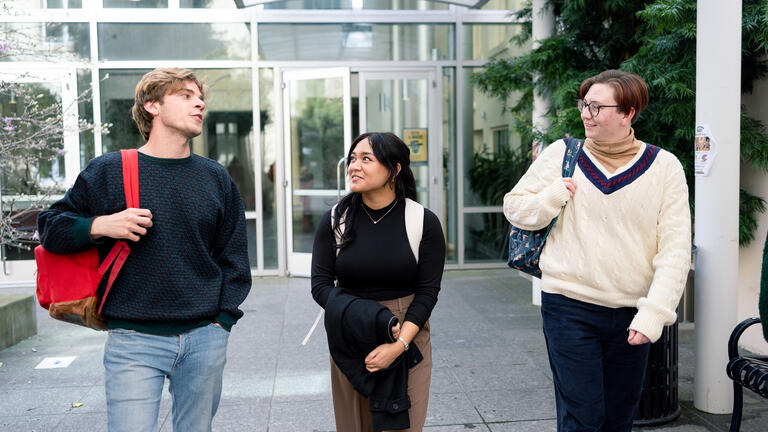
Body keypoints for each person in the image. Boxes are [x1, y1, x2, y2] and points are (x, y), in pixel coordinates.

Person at [37, 68, 251, 432]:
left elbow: (233, 258)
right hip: (133, 341)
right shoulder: (109, 171)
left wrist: (222, 322)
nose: (199, 103)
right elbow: (50, 226)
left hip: (204, 338)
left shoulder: (215, 178)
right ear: (151, 105)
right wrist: (99, 226)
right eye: (185, 95)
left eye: (199, 98)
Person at [503, 70, 691, 432]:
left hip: (631, 314)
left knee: (619, 419)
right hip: (568, 307)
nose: (586, 113)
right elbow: (514, 208)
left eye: (596, 106)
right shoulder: (562, 154)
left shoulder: (664, 167)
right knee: (582, 418)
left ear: (628, 112)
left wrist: (654, 314)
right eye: (584, 104)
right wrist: (550, 198)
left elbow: (675, 248)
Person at [311, 132, 446, 432]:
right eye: (352, 159)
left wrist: (398, 344)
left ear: (395, 169)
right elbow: (320, 285)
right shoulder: (335, 220)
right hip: (350, 331)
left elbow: (427, 293)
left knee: (402, 425)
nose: (354, 167)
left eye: (366, 159)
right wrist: (364, 317)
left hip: (406, 331)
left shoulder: (422, 222)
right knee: (354, 426)